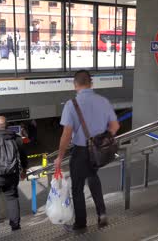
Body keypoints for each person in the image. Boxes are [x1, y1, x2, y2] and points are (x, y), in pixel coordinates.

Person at [54, 70, 120, 233]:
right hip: (97, 151)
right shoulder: (103, 101)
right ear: (91, 83)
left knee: (77, 187)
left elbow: (66, 135)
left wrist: (59, 157)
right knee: (93, 176)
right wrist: (102, 140)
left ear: (75, 85)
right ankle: (102, 214)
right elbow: (115, 126)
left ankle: (81, 224)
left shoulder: (71, 104)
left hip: (81, 151)